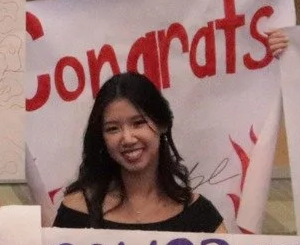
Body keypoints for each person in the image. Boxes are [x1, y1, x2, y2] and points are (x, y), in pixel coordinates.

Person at [50, 72, 225, 232]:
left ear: (162, 124)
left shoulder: (201, 216)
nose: (127, 139)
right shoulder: (76, 211)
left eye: (138, 123)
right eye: (113, 128)